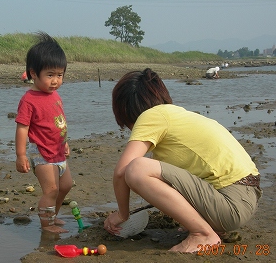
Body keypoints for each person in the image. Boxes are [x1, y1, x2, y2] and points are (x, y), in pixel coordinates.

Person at [104, 68, 262, 253]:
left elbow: (122, 172)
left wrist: (122, 214)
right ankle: (206, 226)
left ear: (124, 109)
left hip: (231, 203)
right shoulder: (179, 116)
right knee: (159, 173)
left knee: (137, 169)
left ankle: (202, 234)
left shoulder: (152, 115)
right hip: (245, 197)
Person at [15, 32, 73, 233]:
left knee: (65, 185)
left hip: (58, 150)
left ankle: (53, 215)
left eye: (59, 75)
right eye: (50, 75)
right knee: (51, 190)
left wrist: (64, 142)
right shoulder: (29, 100)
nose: (55, 80)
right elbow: (22, 128)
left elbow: (58, 122)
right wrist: (21, 155)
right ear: (33, 74)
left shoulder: (54, 94)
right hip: (41, 153)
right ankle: (47, 225)